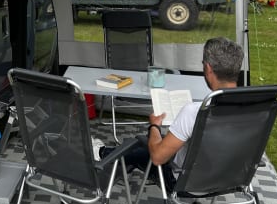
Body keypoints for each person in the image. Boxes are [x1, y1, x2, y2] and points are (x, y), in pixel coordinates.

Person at [100, 37, 244, 189]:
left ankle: (104, 153)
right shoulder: (253, 108)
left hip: (184, 183)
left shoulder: (195, 112)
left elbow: (157, 158)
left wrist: (154, 126)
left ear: (208, 68)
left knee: (143, 147)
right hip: (228, 178)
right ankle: (109, 153)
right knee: (150, 145)